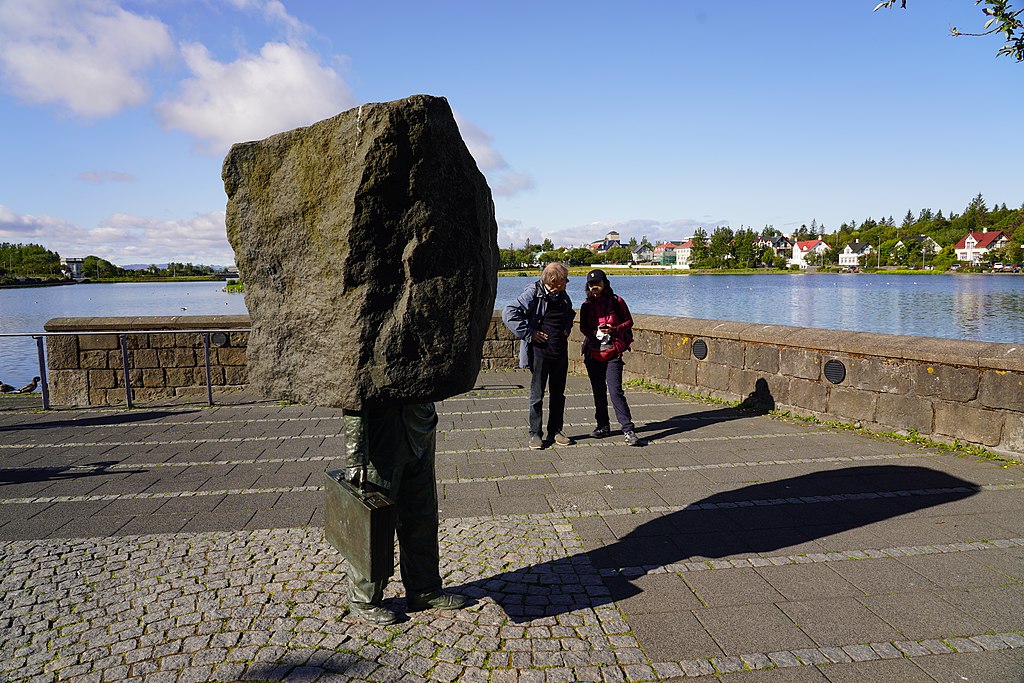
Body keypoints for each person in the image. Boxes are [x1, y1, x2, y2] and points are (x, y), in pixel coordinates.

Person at [342, 402, 466, 625]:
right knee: (375, 524)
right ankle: (364, 599)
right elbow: (352, 393)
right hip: (381, 436)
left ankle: (424, 589)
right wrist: (355, 454)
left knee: (422, 516)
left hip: (419, 430)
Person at [502, 262, 576, 449]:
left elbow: (569, 313)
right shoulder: (533, 293)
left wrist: (566, 328)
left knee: (559, 394)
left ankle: (556, 431)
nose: (568, 280)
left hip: (560, 352)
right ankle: (535, 434)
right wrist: (529, 333)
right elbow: (509, 312)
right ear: (553, 280)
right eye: (564, 278)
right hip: (539, 353)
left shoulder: (562, 294)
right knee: (537, 396)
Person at [579, 269, 646, 446]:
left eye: (598, 283)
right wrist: (595, 332)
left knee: (615, 391)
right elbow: (583, 328)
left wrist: (613, 330)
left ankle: (628, 429)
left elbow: (629, 322)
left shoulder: (617, 301)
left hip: (613, 351)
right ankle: (603, 426)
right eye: (591, 284)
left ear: (605, 284)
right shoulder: (586, 305)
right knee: (598, 391)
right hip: (593, 352)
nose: (594, 287)